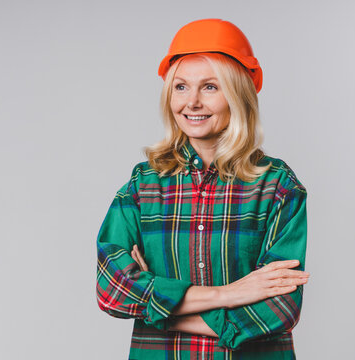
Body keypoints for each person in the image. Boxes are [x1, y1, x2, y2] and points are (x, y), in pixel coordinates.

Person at [95, 19, 309, 359]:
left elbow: (280, 309)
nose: (191, 102)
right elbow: (112, 290)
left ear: (238, 93)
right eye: (180, 87)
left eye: (210, 87)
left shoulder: (278, 186)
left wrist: (159, 306)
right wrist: (229, 294)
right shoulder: (142, 186)